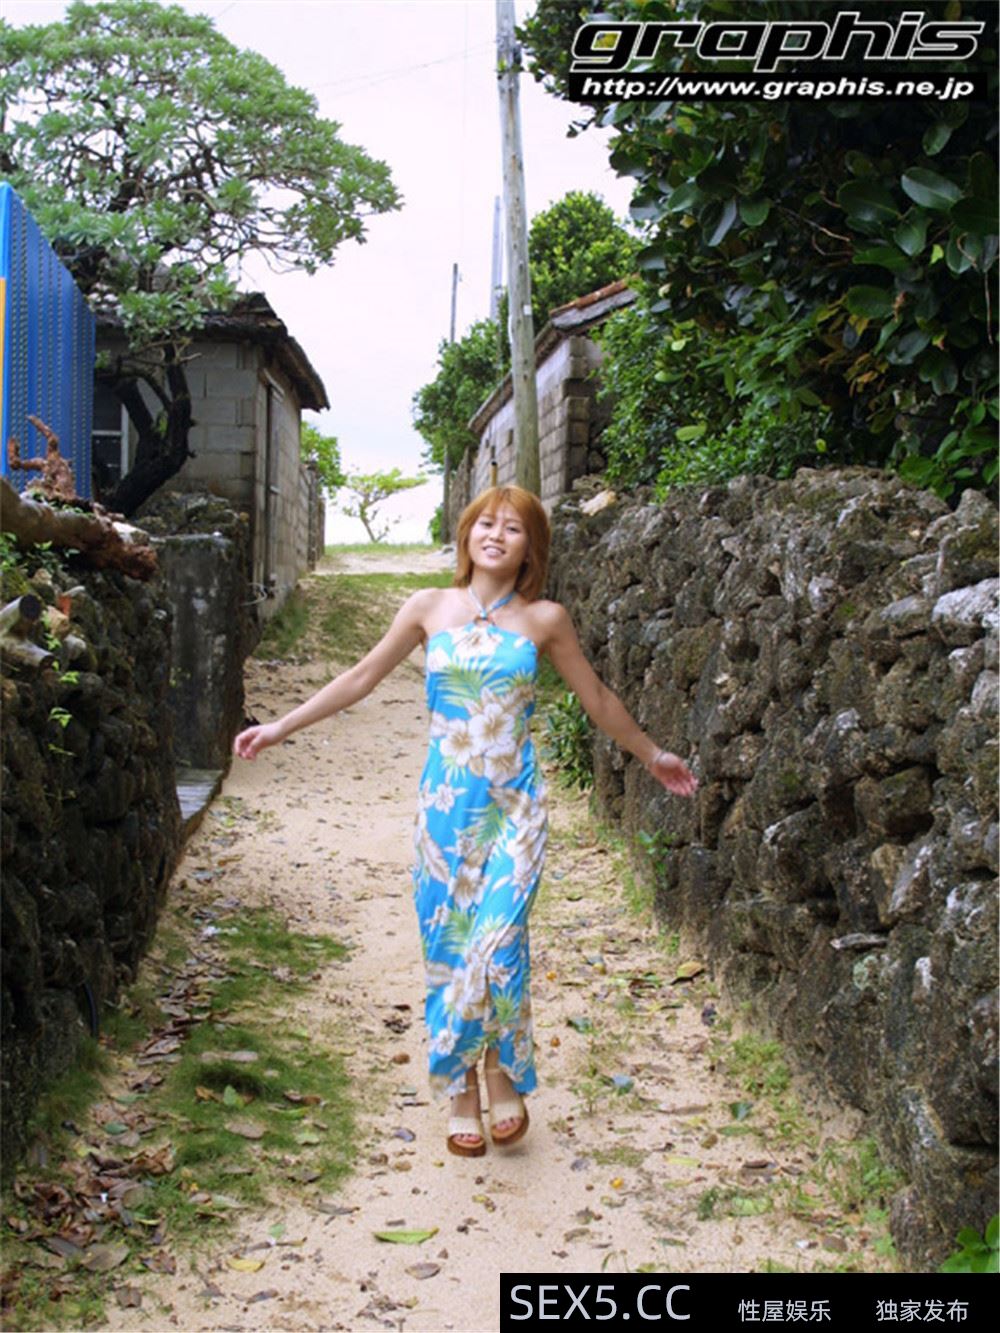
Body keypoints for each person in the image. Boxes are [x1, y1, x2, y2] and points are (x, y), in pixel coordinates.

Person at [233, 485, 697, 1157]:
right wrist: (280, 726)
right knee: (450, 947)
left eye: (513, 528)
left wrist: (652, 754)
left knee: (499, 944)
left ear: (531, 548)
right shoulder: (428, 607)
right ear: (466, 534)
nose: (495, 535)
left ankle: (501, 1069)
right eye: (486, 523)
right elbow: (361, 677)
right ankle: (460, 1088)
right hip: (446, 811)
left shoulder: (545, 619)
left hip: (515, 810)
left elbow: (596, 696)